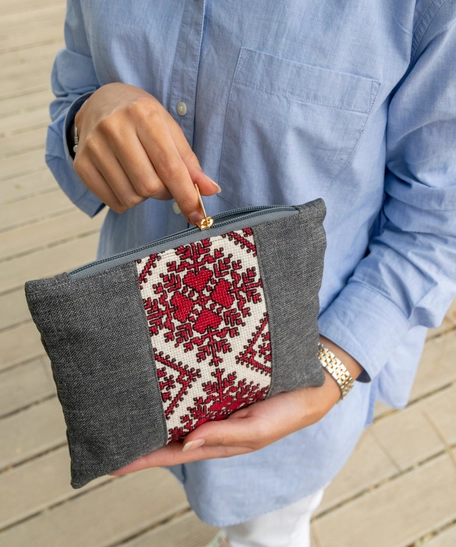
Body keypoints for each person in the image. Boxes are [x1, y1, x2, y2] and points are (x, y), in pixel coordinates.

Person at [46, 1, 456, 545]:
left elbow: (436, 218)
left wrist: (329, 371)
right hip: (136, 338)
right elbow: (72, 89)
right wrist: (87, 116)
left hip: (299, 360)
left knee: (268, 531)